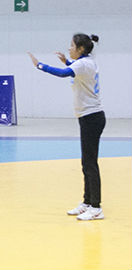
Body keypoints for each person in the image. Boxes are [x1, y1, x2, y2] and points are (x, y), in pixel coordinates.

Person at [28, 33, 105, 221]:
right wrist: (67, 61)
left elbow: (64, 74)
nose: (69, 48)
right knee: (86, 162)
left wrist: (40, 65)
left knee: (90, 163)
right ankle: (87, 202)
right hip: (89, 117)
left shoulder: (83, 64)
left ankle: (96, 207)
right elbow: (74, 68)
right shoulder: (85, 62)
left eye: (72, 46)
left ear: (81, 49)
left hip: (91, 118)